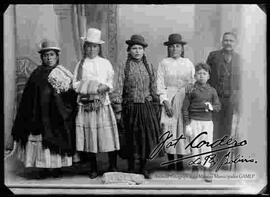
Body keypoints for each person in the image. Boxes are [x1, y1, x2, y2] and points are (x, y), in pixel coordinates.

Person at [11, 39, 77, 179]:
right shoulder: (37, 74)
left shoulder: (63, 72)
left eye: (52, 55)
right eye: (46, 55)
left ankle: (56, 168)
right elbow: (29, 97)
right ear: (42, 57)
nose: (49, 58)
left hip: (57, 114)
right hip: (40, 115)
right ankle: (43, 167)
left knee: (57, 135)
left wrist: (62, 100)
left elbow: (70, 95)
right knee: (40, 139)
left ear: (57, 56)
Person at [72, 28, 120, 179]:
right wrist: (89, 87)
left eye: (95, 46)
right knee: (90, 135)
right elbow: (75, 84)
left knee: (108, 136)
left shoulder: (105, 63)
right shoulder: (80, 64)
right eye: (89, 46)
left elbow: (111, 81)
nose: (91, 49)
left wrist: (105, 87)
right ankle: (94, 167)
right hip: (86, 105)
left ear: (99, 48)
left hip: (102, 104)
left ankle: (112, 165)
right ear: (84, 47)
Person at [120, 34, 161, 178]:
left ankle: (143, 167)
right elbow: (119, 88)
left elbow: (154, 87)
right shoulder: (124, 67)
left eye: (140, 48)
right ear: (129, 50)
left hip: (146, 107)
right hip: (130, 107)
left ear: (144, 50)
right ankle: (131, 167)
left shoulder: (149, 66)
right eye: (134, 48)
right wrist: (119, 109)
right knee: (132, 137)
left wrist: (156, 100)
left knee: (145, 138)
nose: (137, 51)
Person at [157, 33, 195, 171]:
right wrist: (165, 102)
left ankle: (180, 162)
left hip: (184, 99)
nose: (174, 49)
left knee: (182, 131)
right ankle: (171, 161)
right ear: (168, 48)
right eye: (172, 46)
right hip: (169, 98)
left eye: (177, 46)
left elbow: (193, 82)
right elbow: (160, 84)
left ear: (182, 48)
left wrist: (189, 97)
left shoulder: (188, 63)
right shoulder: (163, 63)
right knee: (169, 130)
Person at [206, 32, 241, 170]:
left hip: (230, 100)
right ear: (222, 41)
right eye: (226, 40)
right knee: (214, 129)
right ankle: (212, 160)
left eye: (231, 41)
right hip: (215, 99)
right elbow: (205, 75)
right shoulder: (213, 56)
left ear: (235, 43)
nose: (228, 43)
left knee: (226, 130)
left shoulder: (239, 59)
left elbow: (242, 81)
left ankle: (222, 160)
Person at [182, 62, 221, 182]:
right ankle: (195, 167)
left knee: (206, 145)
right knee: (195, 144)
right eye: (199, 73)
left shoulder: (212, 91)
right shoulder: (191, 90)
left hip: (207, 122)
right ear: (195, 76)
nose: (201, 76)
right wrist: (187, 123)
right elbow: (185, 108)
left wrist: (212, 107)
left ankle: (206, 169)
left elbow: (218, 106)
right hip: (194, 121)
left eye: (204, 73)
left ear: (208, 76)